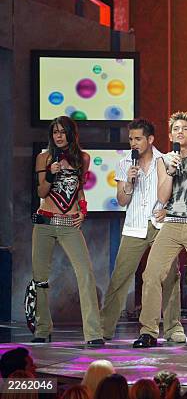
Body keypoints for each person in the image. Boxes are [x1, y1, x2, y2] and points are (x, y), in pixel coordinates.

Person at [133, 111, 187, 348]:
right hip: (172, 223)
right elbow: (162, 196)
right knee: (151, 274)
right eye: (176, 129)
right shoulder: (164, 160)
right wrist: (170, 171)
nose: (180, 132)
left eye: (185, 129)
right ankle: (148, 331)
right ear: (170, 135)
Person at [100, 118, 183, 342]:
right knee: (120, 277)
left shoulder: (165, 160)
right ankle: (104, 328)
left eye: (138, 139)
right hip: (134, 226)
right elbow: (121, 200)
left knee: (170, 277)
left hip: (161, 227)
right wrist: (128, 181)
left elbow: (176, 196)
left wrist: (168, 211)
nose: (133, 143)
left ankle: (173, 328)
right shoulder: (125, 162)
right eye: (131, 139)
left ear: (150, 139)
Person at [31, 116, 104, 345]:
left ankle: (93, 334)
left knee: (85, 274)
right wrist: (51, 173)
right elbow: (42, 193)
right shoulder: (43, 157)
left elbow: (79, 189)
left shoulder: (83, 158)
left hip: (69, 224)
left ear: (71, 134)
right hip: (44, 222)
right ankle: (43, 329)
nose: (59, 136)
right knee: (40, 279)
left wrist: (83, 210)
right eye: (55, 132)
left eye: (63, 132)